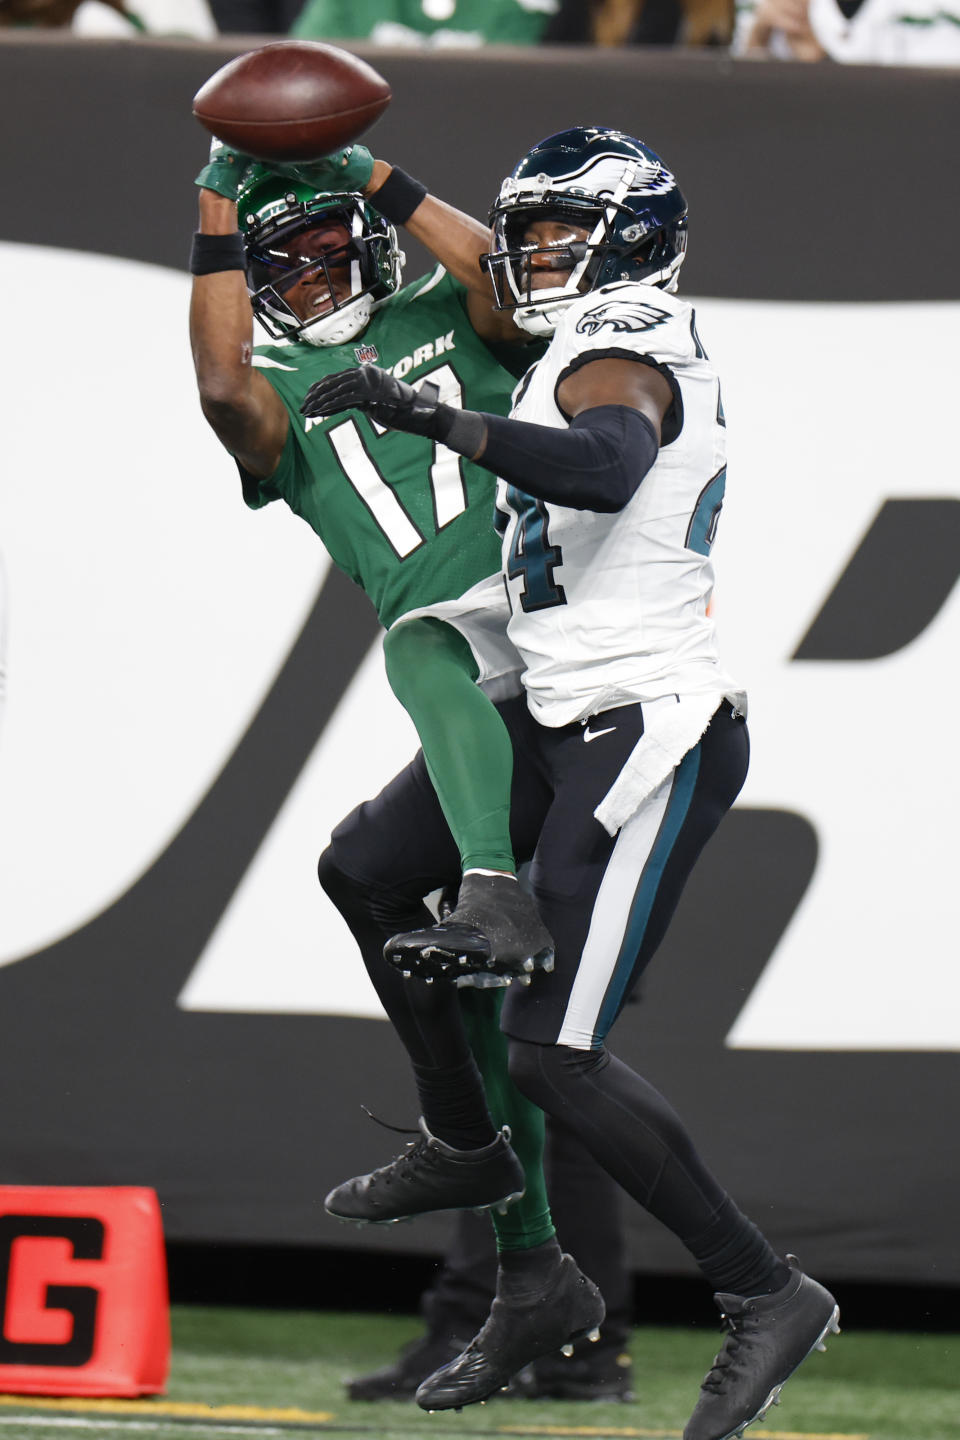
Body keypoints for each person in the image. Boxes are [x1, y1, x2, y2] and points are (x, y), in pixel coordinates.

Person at [306, 126, 841, 1440]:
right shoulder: (577, 335)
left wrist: (437, 414)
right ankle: (475, 1168)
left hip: (642, 727)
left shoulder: (625, 344)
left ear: (631, 237)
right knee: (368, 868)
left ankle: (765, 1294)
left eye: (555, 232)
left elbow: (606, 463)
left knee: (554, 1055)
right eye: (525, 231)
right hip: (555, 706)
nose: (529, 254)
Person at [188, 134, 603, 1367]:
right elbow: (219, 389)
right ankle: (522, 1247)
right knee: (370, 883)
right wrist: (216, 200)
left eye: (331, 246)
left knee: (423, 641)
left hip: (563, 650)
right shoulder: (269, 390)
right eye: (286, 258)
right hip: (494, 709)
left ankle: (492, 890)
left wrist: (367, 168)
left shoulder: (451, 309)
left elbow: (514, 281)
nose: (313, 273)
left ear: (365, 240)